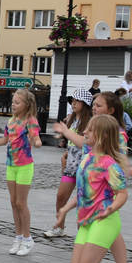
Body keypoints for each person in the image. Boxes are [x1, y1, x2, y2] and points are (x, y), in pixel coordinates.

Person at [53, 115, 129, 263]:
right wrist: (65, 209)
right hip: (87, 221)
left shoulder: (109, 164)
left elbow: (122, 194)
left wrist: (111, 208)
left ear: (102, 136)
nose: (84, 132)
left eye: (90, 130)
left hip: (104, 220)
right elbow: (83, 193)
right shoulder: (87, 159)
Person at [60, 92, 132, 263]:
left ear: (111, 110)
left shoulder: (114, 132)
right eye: (93, 105)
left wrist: (124, 166)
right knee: (95, 227)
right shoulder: (93, 130)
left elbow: (117, 155)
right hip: (89, 184)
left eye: (99, 106)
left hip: (105, 192)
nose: (94, 108)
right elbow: (86, 147)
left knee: (111, 232)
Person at [0, 89, 42, 256]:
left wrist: (36, 141)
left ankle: (27, 238)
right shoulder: (11, 121)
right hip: (11, 165)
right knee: (13, 202)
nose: (13, 105)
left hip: (25, 165)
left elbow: (36, 138)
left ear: (27, 105)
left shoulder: (30, 120)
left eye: (17, 102)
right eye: (13, 102)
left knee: (21, 203)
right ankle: (18, 237)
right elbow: (5, 140)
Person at [47, 89, 93, 238]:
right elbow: (72, 142)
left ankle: (84, 233)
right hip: (71, 165)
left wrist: (66, 133)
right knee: (61, 196)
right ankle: (59, 227)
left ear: (85, 104)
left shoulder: (90, 122)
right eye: (72, 100)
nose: (73, 103)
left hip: (84, 167)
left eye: (77, 101)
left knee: (82, 201)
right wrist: (66, 153)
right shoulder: (71, 119)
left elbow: (84, 144)